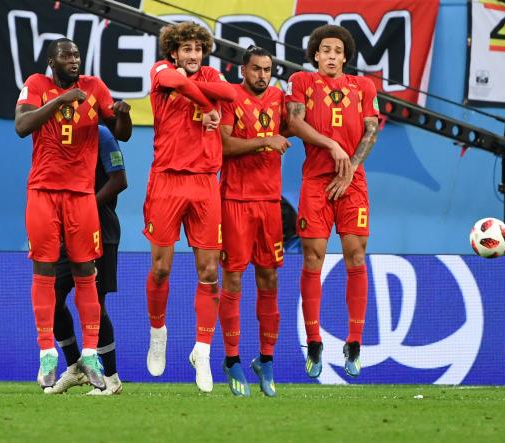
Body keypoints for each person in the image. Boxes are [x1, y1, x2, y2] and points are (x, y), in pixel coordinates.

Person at [14, 38, 131, 391]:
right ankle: (47, 351)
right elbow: (22, 126)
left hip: (81, 195)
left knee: (85, 270)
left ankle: (91, 353)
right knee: (45, 267)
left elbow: (120, 133)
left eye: (77, 55)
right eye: (66, 56)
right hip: (43, 191)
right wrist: (61, 100)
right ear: (52, 61)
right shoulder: (37, 85)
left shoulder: (95, 88)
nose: (74, 61)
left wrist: (123, 115)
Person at [144, 22, 236, 393]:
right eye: (186, 49)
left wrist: (203, 92)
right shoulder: (159, 71)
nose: (193, 55)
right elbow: (178, 84)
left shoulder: (213, 74)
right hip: (167, 179)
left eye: (198, 48)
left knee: (209, 269)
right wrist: (204, 102)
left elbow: (228, 91)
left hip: (204, 183)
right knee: (162, 268)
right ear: (173, 51)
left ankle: (202, 351)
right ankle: (158, 332)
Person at [286, 25, 381, 378]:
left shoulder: (363, 87)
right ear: (315, 55)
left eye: (337, 51)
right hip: (315, 182)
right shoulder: (302, 82)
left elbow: (371, 129)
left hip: (351, 183)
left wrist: (351, 168)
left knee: (356, 255)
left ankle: (354, 344)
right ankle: (314, 343)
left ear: (345, 57)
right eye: (325, 50)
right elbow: (295, 122)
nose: (331, 56)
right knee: (313, 257)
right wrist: (332, 145)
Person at [218, 45, 290, 397]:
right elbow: (224, 146)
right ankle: (232, 360)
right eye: (257, 69)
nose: (263, 75)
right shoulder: (230, 97)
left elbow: (300, 126)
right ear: (243, 69)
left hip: (269, 203)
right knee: (232, 279)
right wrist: (265, 140)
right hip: (234, 200)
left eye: (268, 69)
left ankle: (266, 359)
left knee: (269, 277)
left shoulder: (280, 98)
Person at [45, 124, 127, 395]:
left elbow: (119, 180)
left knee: (95, 305)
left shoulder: (101, 135)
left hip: (100, 229)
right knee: (53, 298)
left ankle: (112, 379)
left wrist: (85, 207)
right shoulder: (57, 135)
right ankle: (75, 367)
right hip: (68, 229)